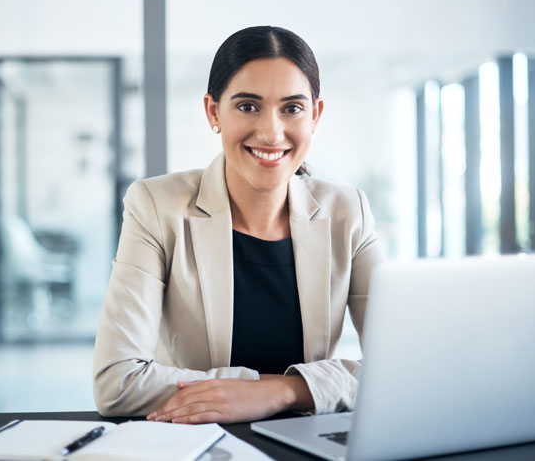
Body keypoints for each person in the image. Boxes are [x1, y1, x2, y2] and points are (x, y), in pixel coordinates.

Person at [93, 25, 385, 424]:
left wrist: (283, 391)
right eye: (248, 106)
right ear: (214, 112)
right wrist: (257, 390)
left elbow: (399, 370)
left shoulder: (349, 212)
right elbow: (117, 382)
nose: (271, 132)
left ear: (315, 115)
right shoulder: (157, 206)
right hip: (196, 444)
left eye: (292, 108)